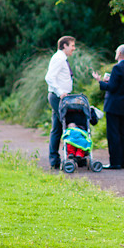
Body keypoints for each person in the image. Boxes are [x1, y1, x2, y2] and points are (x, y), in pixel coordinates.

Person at [92, 44, 124, 170]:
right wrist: (110, 81)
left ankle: (115, 163)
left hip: (113, 106)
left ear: (120, 54)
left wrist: (100, 81)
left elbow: (111, 87)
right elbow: (123, 87)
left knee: (113, 134)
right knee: (123, 134)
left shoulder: (117, 68)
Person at [46, 35, 76, 170]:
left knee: (57, 129)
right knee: (68, 125)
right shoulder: (58, 59)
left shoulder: (62, 58)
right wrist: (60, 92)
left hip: (61, 97)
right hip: (58, 98)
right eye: (72, 45)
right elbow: (49, 77)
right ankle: (71, 156)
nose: (73, 49)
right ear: (65, 46)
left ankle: (55, 161)